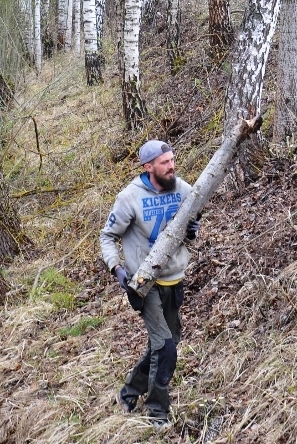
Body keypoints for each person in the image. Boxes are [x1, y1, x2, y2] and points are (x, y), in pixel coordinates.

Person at [100, 140, 200, 424]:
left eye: (172, 160)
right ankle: (158, 411)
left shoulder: (182, 189)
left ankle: (130, 390)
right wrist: (117, 269)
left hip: (175, 278)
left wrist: (193, 230)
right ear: (148, 167)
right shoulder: (129, 197)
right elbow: (107, 236)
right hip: (145, 284)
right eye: (165, 163)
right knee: (165, 346)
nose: (172, 166)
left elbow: (191, 224)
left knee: (168, 341)